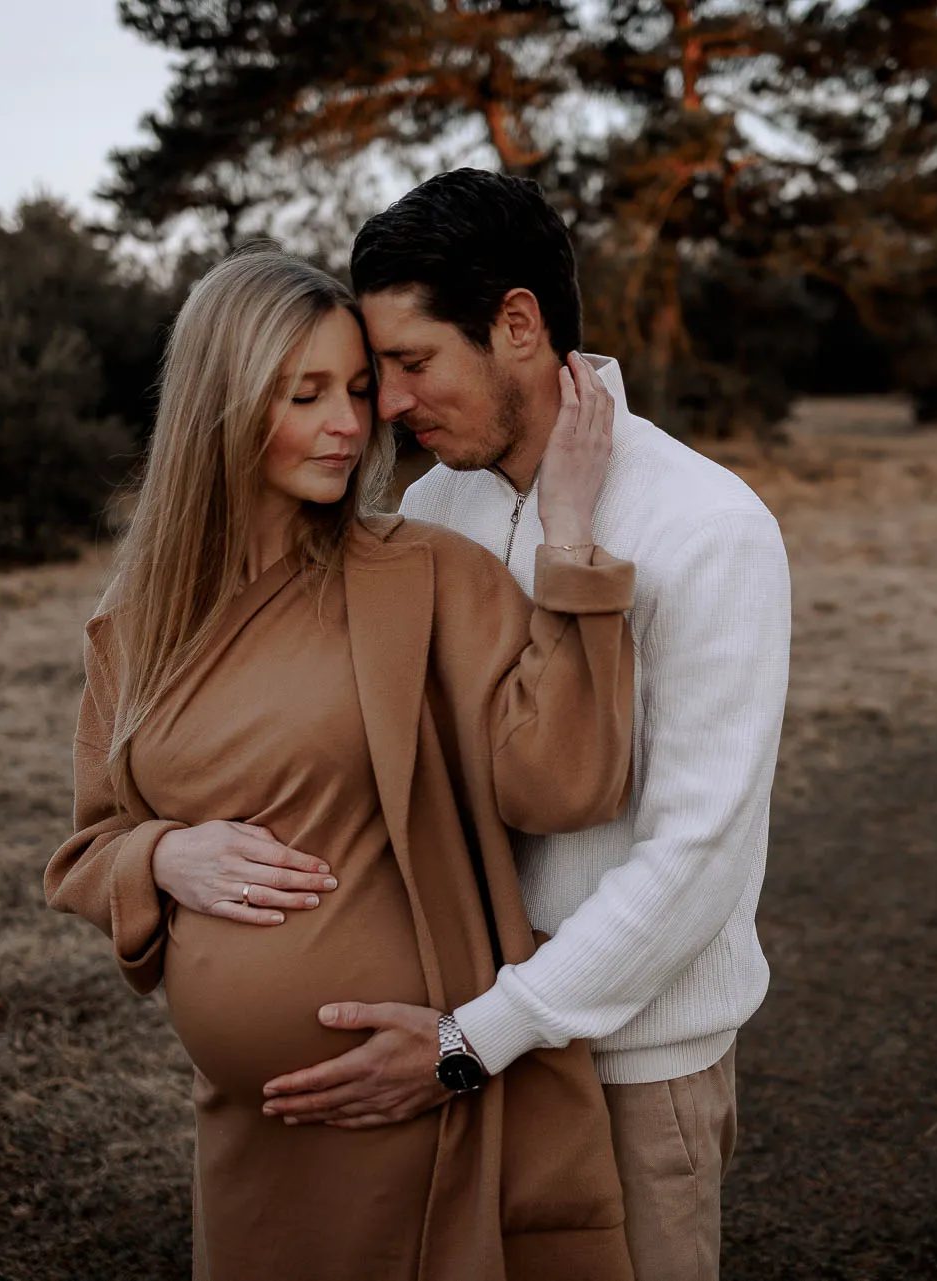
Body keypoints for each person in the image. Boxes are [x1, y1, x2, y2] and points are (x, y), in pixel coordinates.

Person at [43, 243, 641, 1281]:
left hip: (419, 1095)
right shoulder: (136, 626)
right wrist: (160, 856)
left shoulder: (419, 573)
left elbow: (564, 780)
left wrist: (572, 542)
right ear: (219, 405)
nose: (350, 425)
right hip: (254, 1134)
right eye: (306, 393)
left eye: (359, 389)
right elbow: (85, 851)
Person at [257, 172, 792, 1281]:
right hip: (471, 1050)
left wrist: (470, 1042)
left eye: (411, 365)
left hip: (627, 1070)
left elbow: (696, 857)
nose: (387, 408)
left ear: (517, 325)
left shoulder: (709, 526)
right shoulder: (434, 508)